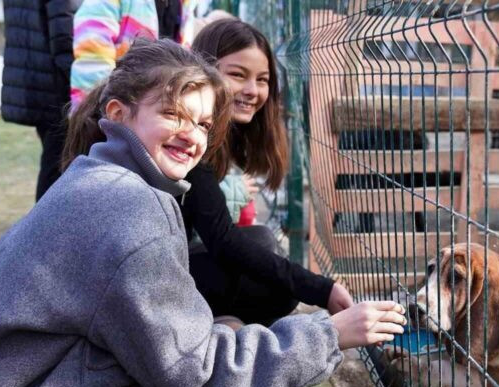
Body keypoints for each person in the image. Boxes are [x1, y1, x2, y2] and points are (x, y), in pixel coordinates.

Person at [0, 39, 407, 387]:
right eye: (173, 114)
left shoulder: (94, 177)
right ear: (119, 112)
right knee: (220, 355)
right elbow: (198, 377)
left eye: (202, 123)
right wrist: (330, 334)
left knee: (222, 329)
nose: (193, 136)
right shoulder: (130, 207)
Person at [69, 11, 354, 326]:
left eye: (262, 80)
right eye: (238, 75)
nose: (252, 90)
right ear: (205, 73)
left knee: (261, 243)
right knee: (279, 287)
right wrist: (320, 288)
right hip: (128, 284)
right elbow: (223, 239)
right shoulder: (185, 147)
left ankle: (218, 323)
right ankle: (213, 328)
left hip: (155, 263)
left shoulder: (214, 139)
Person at [1, 0, 79, 201]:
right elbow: (65, 35)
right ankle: (45, 229)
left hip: (39, 83)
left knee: (56, 165)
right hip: (58, 89)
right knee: (59, 168)